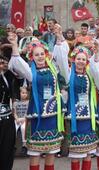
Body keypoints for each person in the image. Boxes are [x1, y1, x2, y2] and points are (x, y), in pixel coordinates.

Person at [8, 24, 66, 170]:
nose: (40, 57)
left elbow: (63, 60)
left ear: (46, 54)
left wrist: (59, 37)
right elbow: (17, 63)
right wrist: (15, 45)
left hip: (53, 115)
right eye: (36, 54)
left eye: (42, 54)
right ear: (32, 57)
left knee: (51, 152)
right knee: (35, 153)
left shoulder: (54, 68)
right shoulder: (30, 72)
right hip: (37, 115)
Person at [56, 44, 99, 170]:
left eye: (83, 59)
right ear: (74, 60)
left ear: (86, 62)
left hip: (88, 116)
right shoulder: (69, 74)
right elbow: (62, 63)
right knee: (76, 152)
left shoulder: (89, 75)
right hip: (75, 117)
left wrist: (97, 55)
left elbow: (98, 70)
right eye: (78, 59)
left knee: (88, 151)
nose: (81, 61)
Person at [0, 55, 17, 170]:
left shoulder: (8, 75)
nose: (2, 64)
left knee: (7, 147)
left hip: (7, 115)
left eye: (3, 62)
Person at [13, 86, 29, 155]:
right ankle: (13, 146)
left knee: (23, 128)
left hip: (25, 119)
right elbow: (14, 112)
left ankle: (24, 146)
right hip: (17, 119)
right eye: (23, 93)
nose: (24, 94)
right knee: (13, 128)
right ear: (19, 93)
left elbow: (28, 113)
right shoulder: (15, 103)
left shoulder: (28, 102)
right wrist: (16, 119)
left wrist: (23, 119)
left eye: (26, 93)